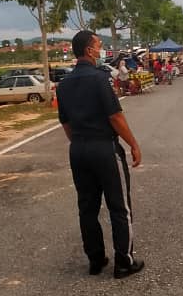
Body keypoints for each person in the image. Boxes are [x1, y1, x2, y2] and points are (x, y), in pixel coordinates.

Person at [56, 30, 144, 279]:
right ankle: (124, 262)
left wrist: (80, 142)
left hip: (78, 149)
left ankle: (95, 259)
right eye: (98, 45)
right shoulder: (99, 79)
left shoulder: (64, 85)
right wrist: (133, 143)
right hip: (104, 148)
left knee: (87, 207)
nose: (100, 48)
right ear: (89, 50)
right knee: (119, 207)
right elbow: (115, 116)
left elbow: (65, 122)